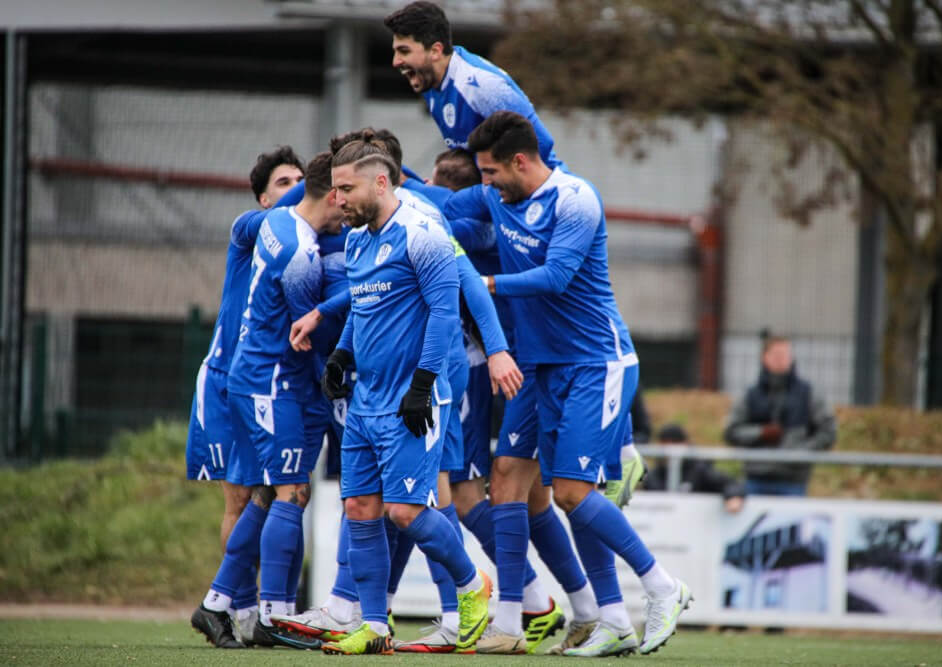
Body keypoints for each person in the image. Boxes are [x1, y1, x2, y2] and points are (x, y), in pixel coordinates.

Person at [447, 111, 692, 657]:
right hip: (539, 368)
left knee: (574, 493)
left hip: (594, 364)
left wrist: (482, 281)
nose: (483, 184)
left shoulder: (576, 199)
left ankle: (663, 587)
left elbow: (556, 278)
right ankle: (585, 621)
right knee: (508, 477)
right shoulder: (495, 195)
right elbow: (438, 206)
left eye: (489, 172)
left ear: (519, 161)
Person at [318, 132, 493, 656]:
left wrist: (423, 385)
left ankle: (472, 585)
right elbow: (364, 310)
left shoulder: (424, 234)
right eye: (334, 189)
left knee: (405, 512)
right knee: (361, 509)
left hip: (412, 401)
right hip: (367, 401)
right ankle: (374, 626)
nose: (338, 200)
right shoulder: (356, 239)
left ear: (380, 180)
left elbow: (445, 315)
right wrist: (342, 355)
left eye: (346, 188)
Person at [190, 152, 342, 650]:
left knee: (266, 494)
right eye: (283, 182)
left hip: (259, 378)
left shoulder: (280, 222)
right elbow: (306, 333)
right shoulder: (296, 250)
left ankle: (218, 605)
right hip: (267, 382)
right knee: (289, 493)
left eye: (299, 180)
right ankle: (271, 614)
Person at [384, 1, 562, 168]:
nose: (396, 62)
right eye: (395, 52)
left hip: (540, 196)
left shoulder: (481, 85)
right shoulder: (431, 84)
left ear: (435, 51)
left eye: (404, 51)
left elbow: (541, 145)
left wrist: (491, 189)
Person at [723, 333, 837, 496]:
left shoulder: (808, 394)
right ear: (764, 357)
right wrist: (760, 433)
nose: (781, 359)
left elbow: (828, 432)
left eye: (785, 354)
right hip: (755, 478)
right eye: (776, 354)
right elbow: (731, 432)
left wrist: (799, 454)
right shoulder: (750, 395)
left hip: (793, 481)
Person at [645, 424, 746, 513]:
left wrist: (733, 496)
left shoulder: (700, 470)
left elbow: (730, 484)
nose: (670, 449)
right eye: (665, 444)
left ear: (686, 443)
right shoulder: (653, 475)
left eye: (674, 442)